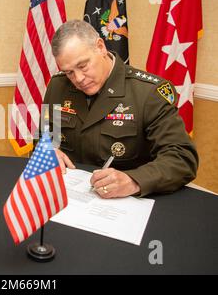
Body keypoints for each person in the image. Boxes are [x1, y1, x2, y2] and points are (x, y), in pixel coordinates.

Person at [44, 19, 198, 198]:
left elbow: (182, 158)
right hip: (68, 198)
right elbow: (45, 137)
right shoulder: (58, 86)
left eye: (83, 66)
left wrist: (134, 181)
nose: (78, 78)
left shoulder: (148, 93)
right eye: (69, 72)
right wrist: (48, 150)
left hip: (126, 203)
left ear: (100, 47)